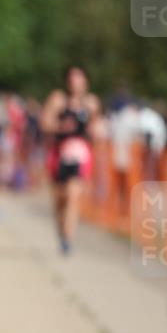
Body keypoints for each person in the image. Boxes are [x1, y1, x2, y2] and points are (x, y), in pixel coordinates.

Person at [40, 66, 101, 255]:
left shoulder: (91, 103)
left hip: (80, 154)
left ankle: (68, 238)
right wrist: (61, 127)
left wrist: (93, 131)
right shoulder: (58, 100)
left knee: (73, 195)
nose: (76, 83)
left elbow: (97, 129)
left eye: (79, 78)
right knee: (60, 200)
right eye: (72, 79)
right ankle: (62, 230)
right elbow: (45, 123)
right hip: (59, 154)